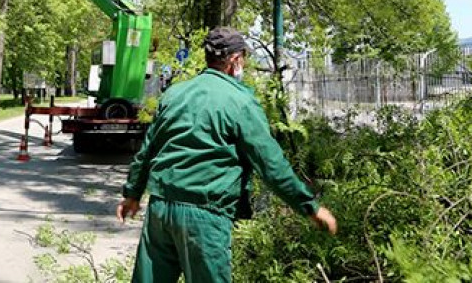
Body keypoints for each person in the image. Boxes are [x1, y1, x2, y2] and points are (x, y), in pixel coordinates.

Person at [116, 26, 337, 283]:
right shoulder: (240, 101)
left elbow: (147, 150)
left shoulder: (174, 94)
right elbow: (271, 164)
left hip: (160, 210)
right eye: (243, 58)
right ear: (235, 60)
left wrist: (132, 194)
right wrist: (309, 207)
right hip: (204, 215)